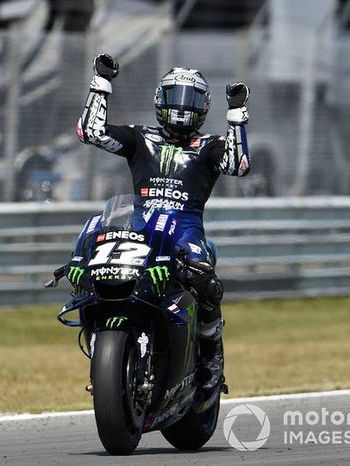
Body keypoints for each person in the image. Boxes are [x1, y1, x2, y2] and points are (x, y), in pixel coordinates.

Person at [76, 54, 251, 397]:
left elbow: (239, 165)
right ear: (160, 100)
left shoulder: (211, 145)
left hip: (185, 230)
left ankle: (212, 359)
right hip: (138, 226)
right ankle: (103, 341)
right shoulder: (139, 138)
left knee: (205, 280)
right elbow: (90, 131)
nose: (183, 107)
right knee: (88, 267)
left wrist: (236, 116)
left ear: (204, 107)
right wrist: (101, 82)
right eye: (175, 97)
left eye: (191, 99)